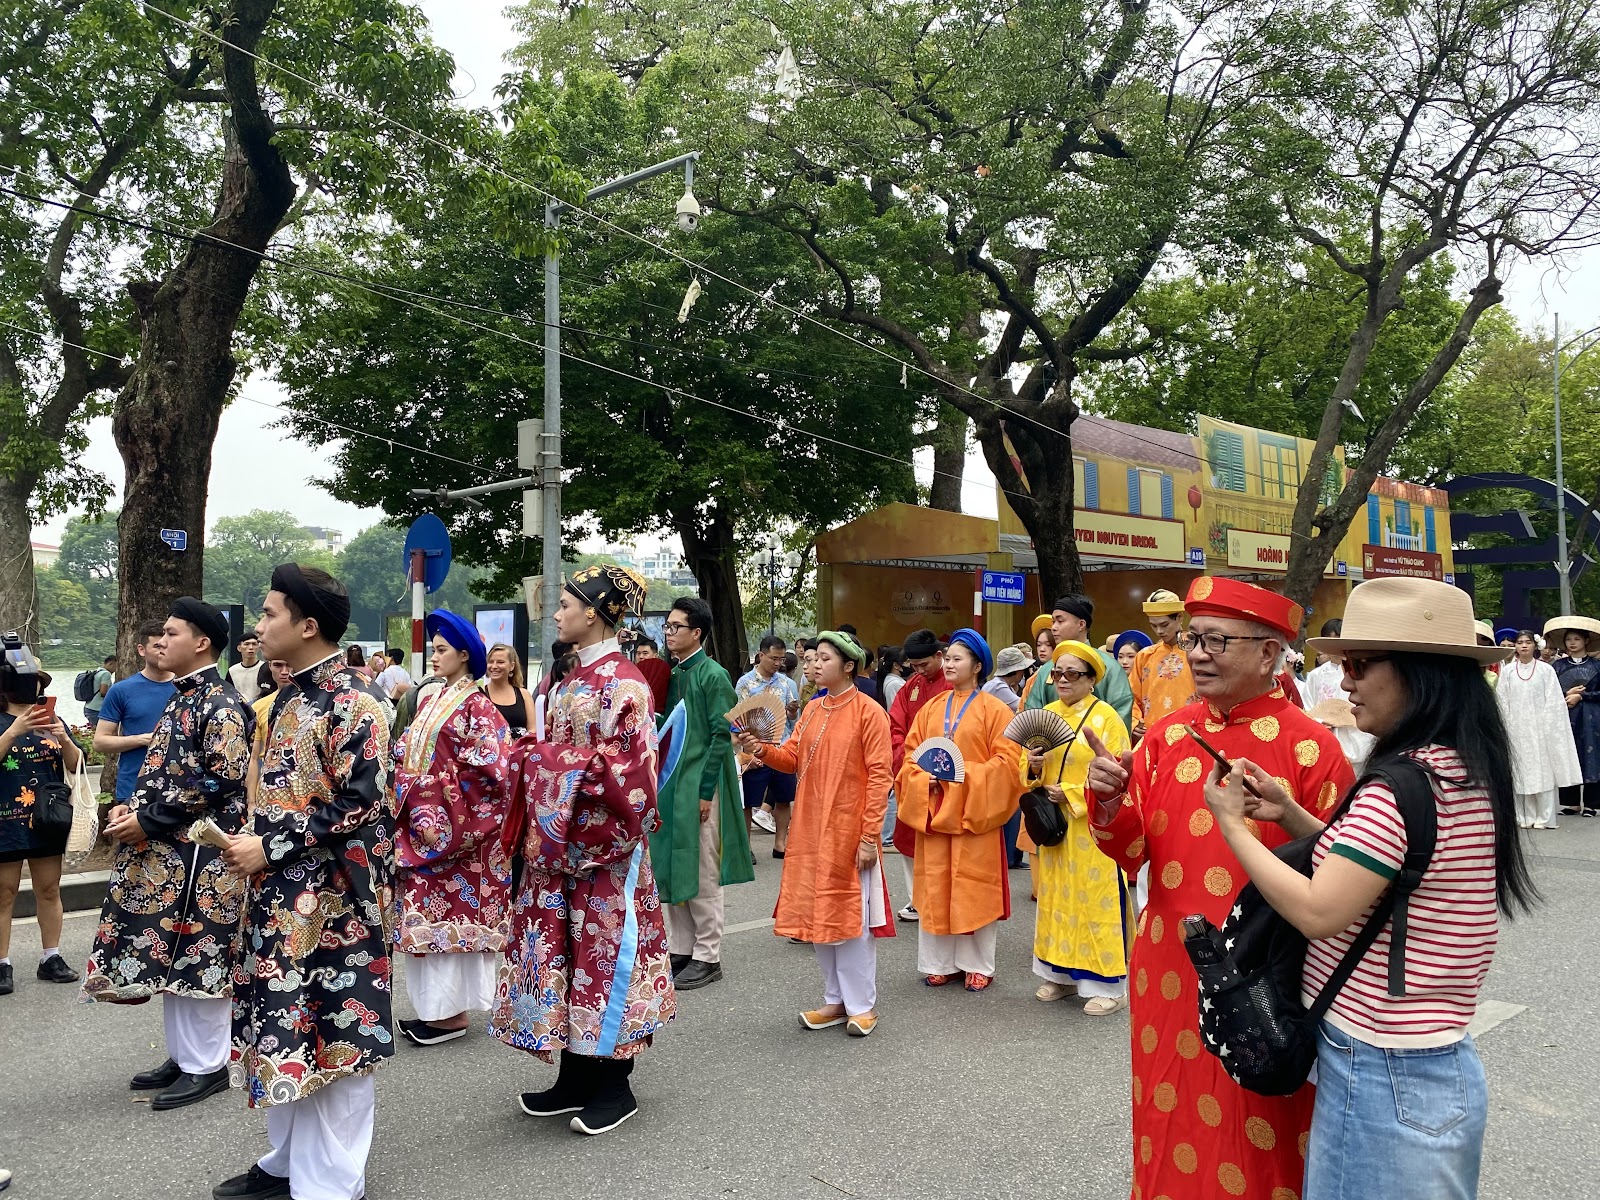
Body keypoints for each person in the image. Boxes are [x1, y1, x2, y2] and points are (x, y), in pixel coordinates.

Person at [1203, 576, 1534, 1200]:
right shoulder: (1464, 767)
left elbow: (1319, 908)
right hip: (1430, 1057)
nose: (1345, 681)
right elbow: (1390, 868)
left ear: (1421, 672)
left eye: (1359, 664)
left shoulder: (1398, 785)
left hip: (1381, 1068)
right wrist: (1292, 815)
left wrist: (1230, 822)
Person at [1082, 575, 1354, 1200]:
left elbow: (1343, 880)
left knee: (1259, 1124)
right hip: (1167, 966)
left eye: (1216, 640)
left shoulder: (1312, 749)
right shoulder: (1164, 735)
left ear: (1268, 653)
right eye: (1194, 637)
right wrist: (1111, 800)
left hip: (1266, 974)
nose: (1197, 652)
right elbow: (1131, 850)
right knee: (1166, 1114)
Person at [216, 564, 392, 1200]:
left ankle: (333, 1182)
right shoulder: (288, 699)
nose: (258, 626)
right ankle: (288, 1160)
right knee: (286, 1024)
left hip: (335, 900)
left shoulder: (357, 702)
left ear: (308, 625)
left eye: (268, 614)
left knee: (335, 1032)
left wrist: (271, 843)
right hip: (280, 893)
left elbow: (362, 801)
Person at [490, 562, 674, 1136]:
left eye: (566, 603)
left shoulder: (626, 684)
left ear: (593, 612)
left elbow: (633, 777)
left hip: (603, 852)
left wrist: (545, 765)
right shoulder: (567, 681)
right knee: (562, 957)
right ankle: (573, 1075)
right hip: (559, 847)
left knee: (603, 958)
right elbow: (557, 754)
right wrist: (530, 757)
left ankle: (616, 1085)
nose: (558, 612)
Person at [82, 598, 253, 1111]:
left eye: (172, 633)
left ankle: (209, 1064)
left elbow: (221, 776)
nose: (162, 641)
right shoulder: (183, 697)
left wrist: (149, 818)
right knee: (171, 952)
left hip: (202, 853)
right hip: (169, 851)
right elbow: (163, 771)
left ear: (202, 642)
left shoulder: (220, 703)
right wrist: (131, 808)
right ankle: (185, 1056)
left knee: (200, 952)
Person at [739, 631, 894, 1036]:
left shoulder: (870, 712)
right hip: (809, 830)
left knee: (851, 919)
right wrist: (759, 748)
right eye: (812, 658)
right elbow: (790, 758)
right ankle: (834, 1001)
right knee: (819, 915)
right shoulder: (811, 709)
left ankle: (863, 1005)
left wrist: (867, 837)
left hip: (848, 829)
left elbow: (881, 778)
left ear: (848, 667)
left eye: (823, 658)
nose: (814, 664)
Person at [393, 610, 512, 1047]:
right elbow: (408, 752)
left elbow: (493, 775)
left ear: (465, 655)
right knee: (429, 922)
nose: (435, 656)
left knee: (448, 923)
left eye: (442, 650)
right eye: (435, 649)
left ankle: (446, 1016)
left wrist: (423, 792)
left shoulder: (478, 708)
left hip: (456, 835)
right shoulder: (432, 699)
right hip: (426, 826)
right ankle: (442, 1013)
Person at [896, 628, 1025, 990]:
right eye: (947, 657)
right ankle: (939, 963)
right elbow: (910, 756)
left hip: (974, 816)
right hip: (936, 812)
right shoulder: (931, 708)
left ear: (977, 665)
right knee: (935, 887)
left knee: (974, 887)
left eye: (957, 658)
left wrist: (962, 780)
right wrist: (924, 780)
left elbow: (1008, 762)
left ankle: (977, 964)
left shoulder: (996, 710)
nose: (949, 664)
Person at [1023, 640, 1134, 1013]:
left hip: (1092, 829)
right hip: (1056, 828)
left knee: (1095, 899)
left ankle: (1111, 984)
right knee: (1057, 899)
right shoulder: (1047, 714)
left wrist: (1070, 792)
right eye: (1058, 673)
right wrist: (1034, 767)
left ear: (1091, 680)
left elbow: (1118, 777)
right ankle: (1061, 976)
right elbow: (1029, 777)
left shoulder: (1107, 719)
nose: (1063, 680)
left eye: (1073, 674)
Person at [652, 597, 753, 989]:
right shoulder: (674, 675)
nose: (668, 632)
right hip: (671, 786)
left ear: (697, 632)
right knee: (674, 866)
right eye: (667, 626)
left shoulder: (714, 675)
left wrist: (706, 791)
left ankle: (708, 954)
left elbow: (720, 736)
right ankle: (681, 947)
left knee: (703, 871)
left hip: (699, 787)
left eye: (676, 626)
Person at [0, 646, 83, 996]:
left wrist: (63, 737)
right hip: (5, 821)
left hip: (47, 819)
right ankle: (2, 963)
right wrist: (14, 731)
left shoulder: (52, 719)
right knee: (3, 894)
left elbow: (77, 761)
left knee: (49, 890)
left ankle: (51, 956)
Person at [886, 629, 951, 921]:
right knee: (910, 836)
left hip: (946, 780)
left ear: (940, 656)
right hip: (913, 775)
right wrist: (907, 761)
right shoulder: (909, 687)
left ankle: (942, 896)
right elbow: (895, 728)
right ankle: (916, 899)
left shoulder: (953, 684)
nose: (919, 671)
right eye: (913, 666)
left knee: (943, 839)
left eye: (924, 664)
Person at [1494, 630, 1580, 830]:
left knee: (1542, 771)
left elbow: (1554, 700)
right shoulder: (1508, 671)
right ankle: (1523, 816)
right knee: (1520, 771)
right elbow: (1502, 700)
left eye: (1527, 642)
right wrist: (1506, 724)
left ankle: (1544, 817)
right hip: (1516, 727)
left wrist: (1548, 724)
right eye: (1520, 642)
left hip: (1541, 728)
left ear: (1535, 645)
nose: (1523, 646)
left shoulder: (1545, 670)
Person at [93, 620, 176, 805]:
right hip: (133, 788)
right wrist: (142, 739)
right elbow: (100, 742)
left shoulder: (186, 688)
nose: (163, 649)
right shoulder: (121, 690)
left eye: (167, 645)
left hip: (179, 790)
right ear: (141, 650)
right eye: (156, 646)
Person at [1024, 595, 1134, 728]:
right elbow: (1032, 714)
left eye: (1060, 621)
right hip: (1052, 747)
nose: (1053, 627)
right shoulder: (1046, 669)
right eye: (1053, 622)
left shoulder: (1109, 667)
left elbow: (1120, 716)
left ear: (1081, 624)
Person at [735, 635, 802, 848]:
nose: (778, 663)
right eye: (774, 658)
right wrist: (747, 752)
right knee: (749, 801)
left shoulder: (786, 683)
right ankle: (746, 847)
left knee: (783, 798)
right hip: (755, 748)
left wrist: (791, 712)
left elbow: (792, 720)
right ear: (761, 655)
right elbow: (739, 718)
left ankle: (780, 843)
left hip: (782, 748)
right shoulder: (745, 683)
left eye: (781, 659)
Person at [1304, 618, 1378, 772]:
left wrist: (1346, 719)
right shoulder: (1315, 675)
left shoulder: (1359, 671)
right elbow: (1307, 705)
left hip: (1354, 733)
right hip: (1323, 733)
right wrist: (1320, 721)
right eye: (1330, 643)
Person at [1548, 615, 1600, 817]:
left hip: (1592, 716)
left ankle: (1591, 803)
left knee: (1592, 756)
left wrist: (1582, 695)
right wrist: (1565, 696)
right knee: (1566, 753)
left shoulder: (1597, 666)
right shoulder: (1557, 667)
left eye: (1577, 639)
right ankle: (1570, 802)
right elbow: (1548, 692)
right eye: (1569, 639)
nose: (1572, 643)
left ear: (1586, 641)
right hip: (1565, 714)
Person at [1128, 589, 1195, 741]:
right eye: (1154, 625)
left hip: (1190, 732)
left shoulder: (1197, 652)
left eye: (1164, 624)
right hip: (1152, 734)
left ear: (1179, 617)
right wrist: (1135, 722)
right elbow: (1130, 697)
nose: (1159, 631)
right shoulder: (1145, 656)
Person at [484, 643, 536, 737]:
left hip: (521, 749)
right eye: (491, 662)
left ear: (512, 666)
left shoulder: (524, 694)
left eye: (500, 662)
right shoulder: (479, 695)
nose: (494, 666)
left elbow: (533, 729)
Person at [982, 644, 1030, 711]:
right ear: (1016, 670)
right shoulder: (998, 686)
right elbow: (1023, 706)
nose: (1023, 673)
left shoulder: (1004, 685)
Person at [83, 654, 116, 728]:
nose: (116, 669)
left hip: (89, 707)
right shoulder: (106, 674)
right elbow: (103, 692)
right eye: (116, 666)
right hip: (97, 709)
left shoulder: (97, 671)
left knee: (96, 732)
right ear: (111, 663)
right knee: (104, 732)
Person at [229, 634, 263, 702]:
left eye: (254, 644)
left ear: (258, 647)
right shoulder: (232, 670)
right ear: (239, 648)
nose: (251, 647)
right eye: (246, 644)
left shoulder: (264, 668)